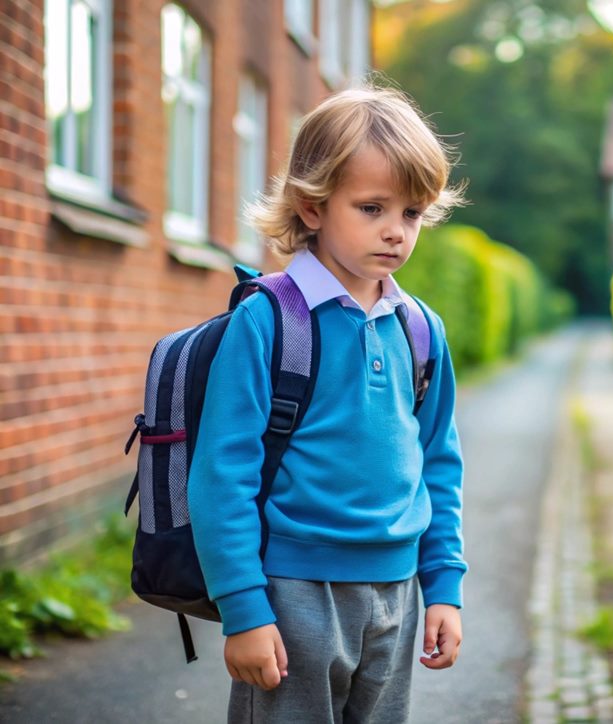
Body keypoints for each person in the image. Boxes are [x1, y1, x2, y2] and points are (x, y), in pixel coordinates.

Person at [188, 83, 468, 723]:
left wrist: (443, 586)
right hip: (294, 595)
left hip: (398, 595)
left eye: (413, 213)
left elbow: (438, 463)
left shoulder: (419, 328)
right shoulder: (267, 323)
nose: (396, 232)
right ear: (312, 208)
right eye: (372, 208)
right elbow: (220, 476)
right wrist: (244, 608)